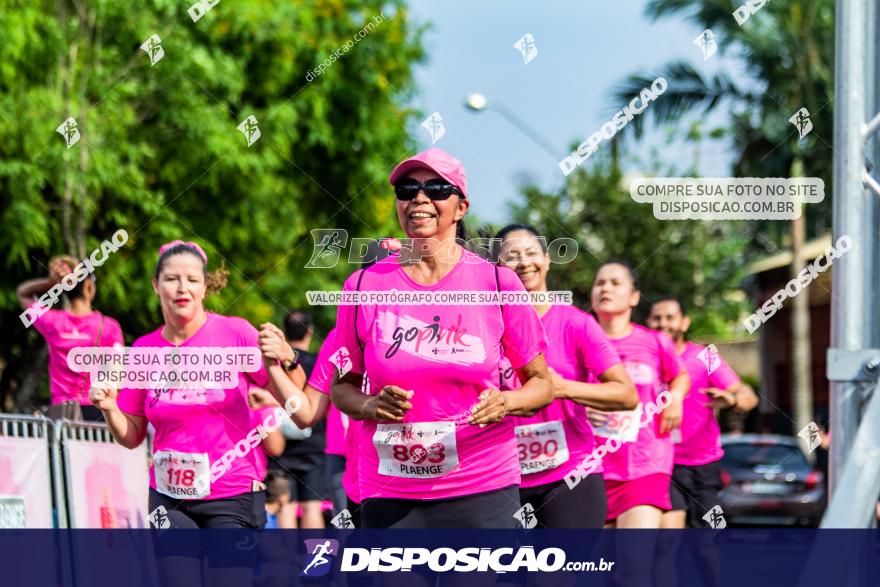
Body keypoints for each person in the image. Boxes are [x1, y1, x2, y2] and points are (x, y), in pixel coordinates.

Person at [330, 147, 553, 529]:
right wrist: (370, 406)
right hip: (392, 491)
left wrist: (506, 401)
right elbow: (341, 389)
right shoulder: (363, 285)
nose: (419, 197)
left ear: (461, 206)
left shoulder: (498, 284)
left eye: (436, 188)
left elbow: (542, 385)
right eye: (406, 189)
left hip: (483, 484)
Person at [90, 241, 301, 533]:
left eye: (192, 280)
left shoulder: (236, 333)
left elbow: (294, 393)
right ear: (156, 285)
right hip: (168, 494)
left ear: (205, 287)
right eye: (172, 279)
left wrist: (288, 359)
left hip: (233, 491)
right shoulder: (143, 349)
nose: (182, 288)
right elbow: (132, 436)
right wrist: (110, 408)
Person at [494, 225, 638, 528]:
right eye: (512, 256)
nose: (523, 262)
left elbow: (626, 395)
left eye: (531, 253)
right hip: (504, 479)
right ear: (498, 267)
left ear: (547, 260)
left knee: (558, 574)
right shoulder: (487, 326)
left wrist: (562, 388)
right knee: (509, 575)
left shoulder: (577, 323)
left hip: (571, 475)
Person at [588, 261, 690, 529]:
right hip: (591, 470)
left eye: (615, 283)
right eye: (599, 283)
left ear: (634, 297)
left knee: (634, 566)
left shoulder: (655, 342)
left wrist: (676, 398)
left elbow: (680, 375)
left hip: (644, 466)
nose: (605, 288)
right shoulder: (578, 339)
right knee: (598, 567)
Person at [646, 296, 758, 528]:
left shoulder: (705, 357)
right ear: (648, 322)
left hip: (703, 467)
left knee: (706, 544)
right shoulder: (642, 360)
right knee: (666, 542)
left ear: (684, 322)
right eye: (656, 318)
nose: (663, 323)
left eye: (670, 318)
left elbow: (748, 396)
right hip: (660, 465)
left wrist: (733, 400)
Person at [17, 255, 124, 421]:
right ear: (89, 287)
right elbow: (115, 376)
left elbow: (23, 294)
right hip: (97, 410)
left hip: (61, 413)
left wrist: (50, 284)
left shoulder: (52, 321)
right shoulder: (109, 327)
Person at [266, 310, 326, 529]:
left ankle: (289, 562)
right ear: (310, 332)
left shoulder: (277, 362)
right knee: (312, 506)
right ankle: (317, 561)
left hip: (281, 444)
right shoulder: (319, 362)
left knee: (286, 505)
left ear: (284, 332)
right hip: (314, 446)